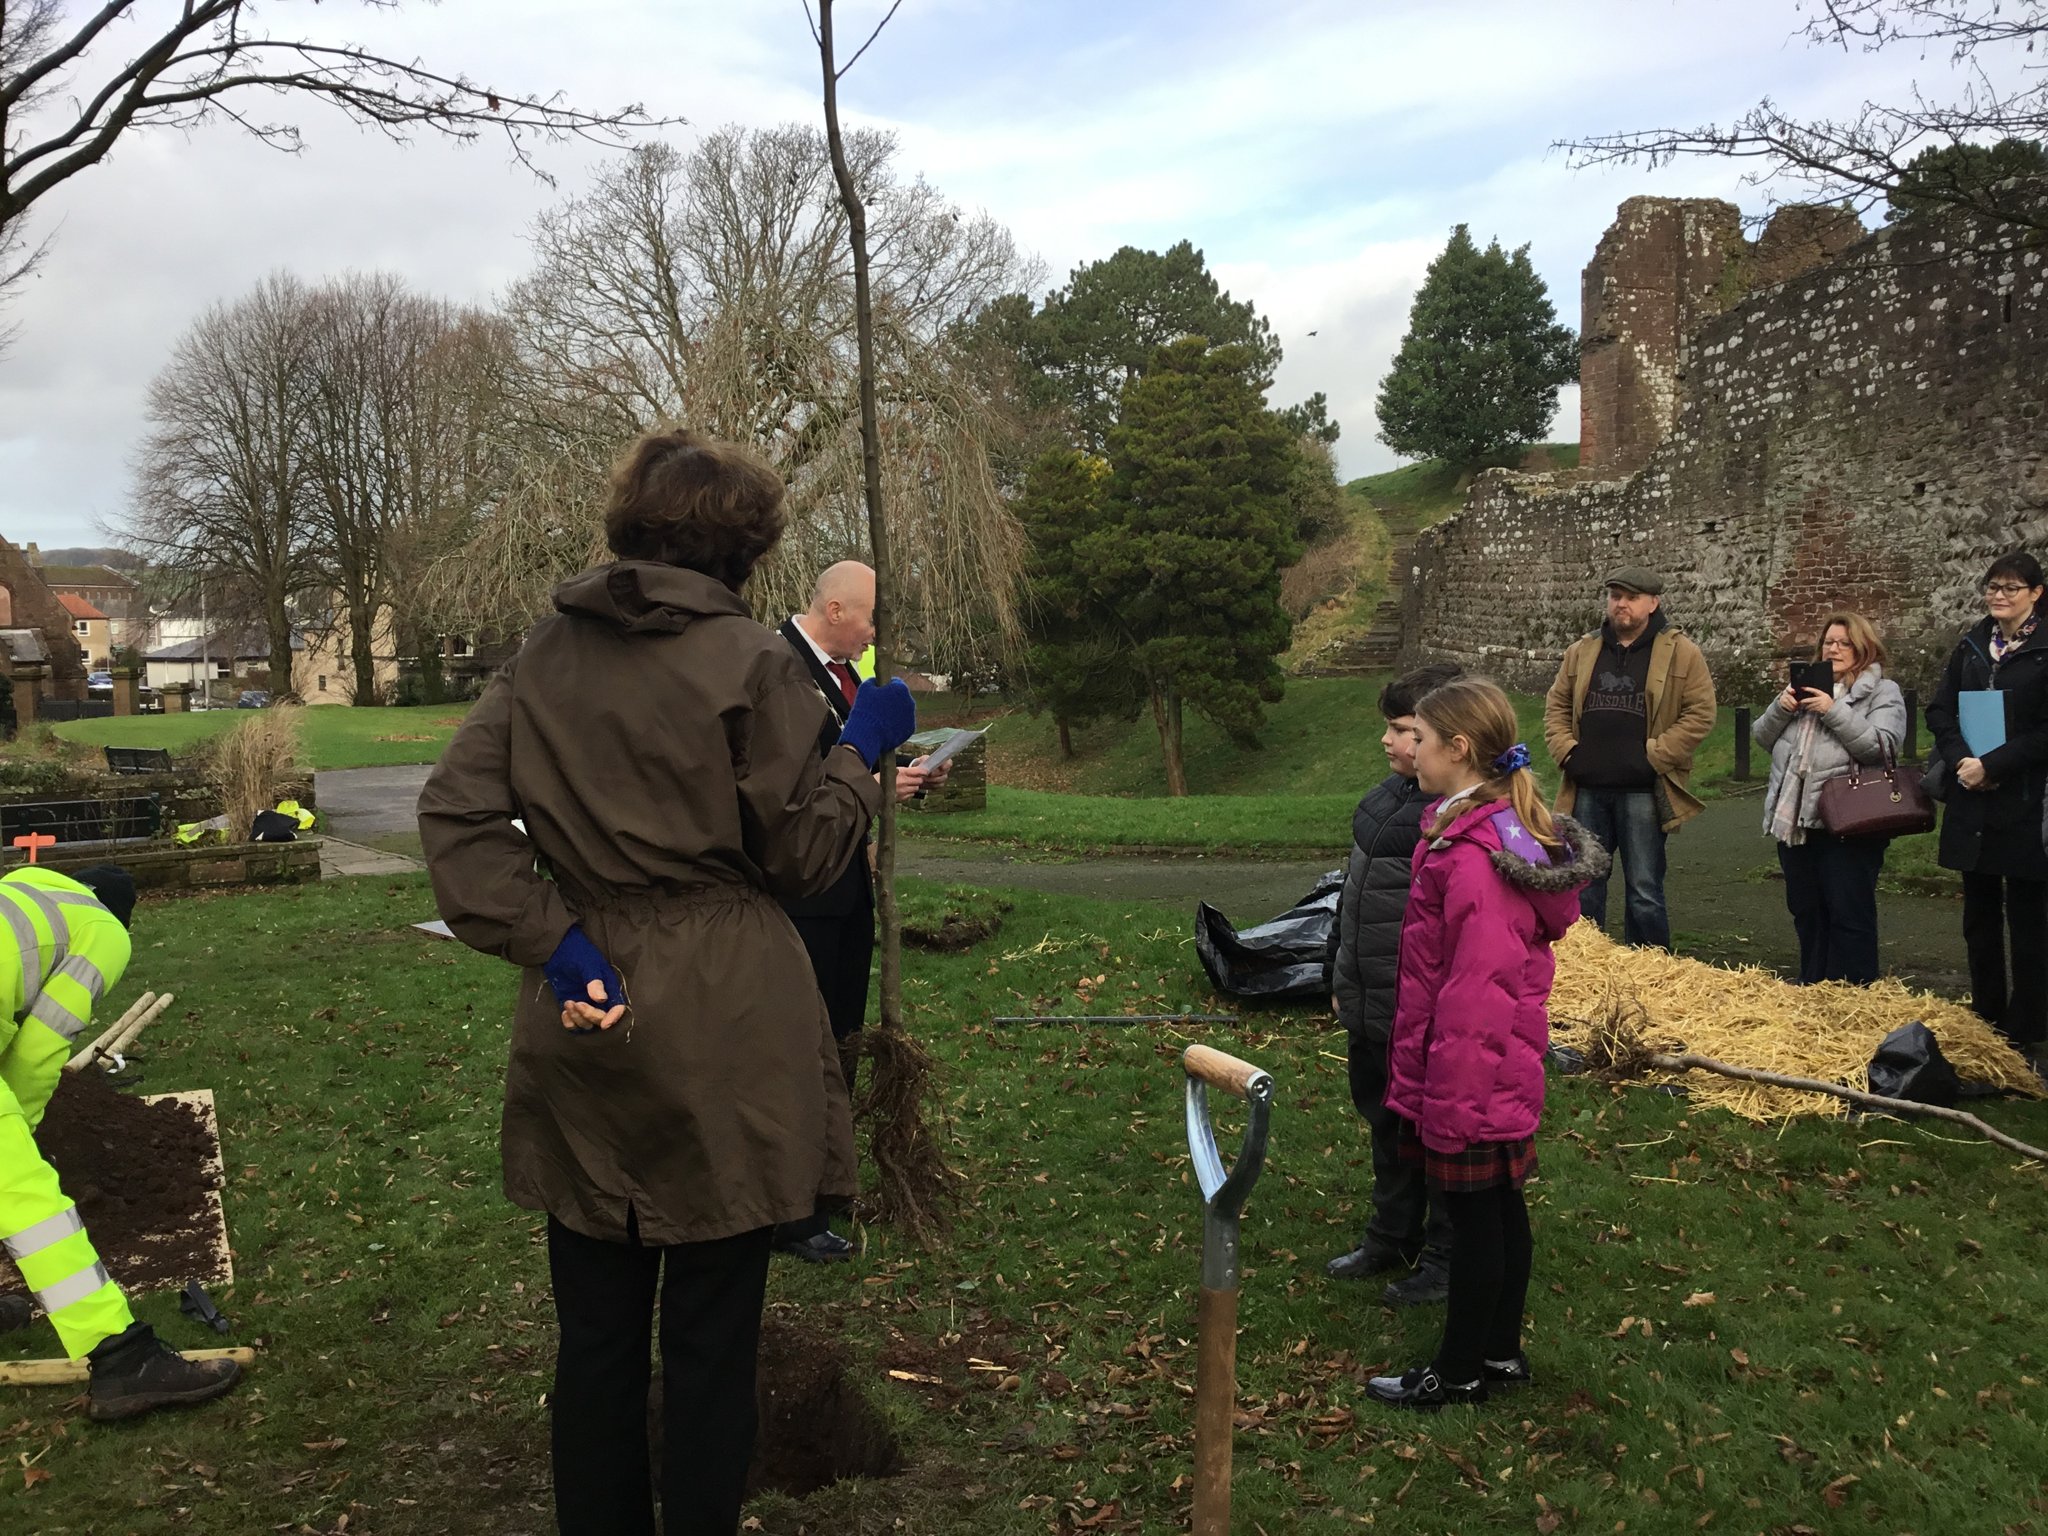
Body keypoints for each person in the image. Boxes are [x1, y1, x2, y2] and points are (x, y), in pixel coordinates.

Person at [417, 427, 918, 1536]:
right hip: (726, 1013)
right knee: (710, 1333)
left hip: (585, 1014)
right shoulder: (753, 664)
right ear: (744, 551)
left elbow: (454, 818)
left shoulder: (541, 656)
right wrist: (858, 751)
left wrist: (556, 939)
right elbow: (802, 856)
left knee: (592, 1334)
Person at [1365, 678, 1607, 1411]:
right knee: (1500, 1209)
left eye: (1424, 741)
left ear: (1459, 750)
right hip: (1487, 1069)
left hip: (1473, 1072)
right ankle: (1498, 1353)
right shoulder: (1479, 827)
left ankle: (1461, 1368)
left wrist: (1453, 1099)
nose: (1412, 752)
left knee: (1476, 1221)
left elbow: (1478, 987)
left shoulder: (1475, 854)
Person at [0, 864, 242, 1422]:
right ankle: (122, 1358)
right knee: (26, 1196)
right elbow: (40, 1046)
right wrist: (23, 1128)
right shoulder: (104, 929)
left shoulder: (26, 888)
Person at [772, 561, 946, 1264]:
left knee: (842, 1033)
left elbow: (855, 768)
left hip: (848, 891)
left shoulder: (851, 681)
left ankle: (826, 1185)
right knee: (800, 1046)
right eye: (870, 618)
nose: (876, 633)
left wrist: (904, 779)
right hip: (800, 895)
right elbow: (790, 788)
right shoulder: (776, 669)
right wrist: (873, 782)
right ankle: (788, 1210)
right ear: (835, 608)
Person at [1326, 662, 1460, 1306]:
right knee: (1382, 1118)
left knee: (1432, 1131)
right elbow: (1353, 895)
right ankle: (1391, 1234)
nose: (1390, 742)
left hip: (1420, 1009)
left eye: (1406, 730)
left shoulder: (1451, 820)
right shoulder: (1385, 800)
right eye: (1390, 728)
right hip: (1371, 995)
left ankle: (1445, 1253)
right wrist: (1339, 969)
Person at [1542, 566, 1717, 951]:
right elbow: (1555, 705)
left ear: (1653, 603)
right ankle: (1585, 966)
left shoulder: (1681, 652)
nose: (1621, 604)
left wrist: (1654, 757)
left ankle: (1652, 970)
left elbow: (1700, 713)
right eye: (1615, 596)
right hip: (1587, 789)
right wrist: (1567, 751)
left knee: (1644, 889)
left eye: (1631, 597)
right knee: (1584, 884)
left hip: (1642, 790)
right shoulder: (1583, 650)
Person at [1926, 552, 2048, 1078]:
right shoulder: (1973, 645)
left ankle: (2027, 1029)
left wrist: (1994, 764)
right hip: (1972, 795)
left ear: (2036, 593)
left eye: (2012, 588)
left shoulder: (2044, 651)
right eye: (1993, 587)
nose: (1999, 596)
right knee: (1978, 916)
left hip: (2024, 798)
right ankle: (1987, 1015)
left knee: (2028, 919)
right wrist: (1962, 761)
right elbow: (1939, 709)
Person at [1752, 613, 1906, 985]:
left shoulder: (1883, 692)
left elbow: (1882, 746)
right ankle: (1813, 988)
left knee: (1849, 914)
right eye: (1829, 642)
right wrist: (1782, 707)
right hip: (1797, 822)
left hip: (1849, 822)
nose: (1834, 649)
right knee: (1807, 912)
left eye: (1844, 643)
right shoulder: (1804, 688)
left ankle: (1854, 994)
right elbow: (1761, 736)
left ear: (1863, 649)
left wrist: (1833, 711)